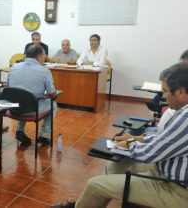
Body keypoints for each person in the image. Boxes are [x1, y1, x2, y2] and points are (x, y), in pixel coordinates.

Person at [52, 62, 188, 208]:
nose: (164, 97)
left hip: (175, 189)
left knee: (94, 185)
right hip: (164, 171)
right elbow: (165, 139)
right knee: (114, 166)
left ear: (180, 92)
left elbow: (148, 154)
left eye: (166, 91)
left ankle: (84, 203)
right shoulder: (182, 112)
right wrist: (135, 138)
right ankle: (84, 204)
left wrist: (129, 144)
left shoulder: (185, 117)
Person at [8, 45, 57, 145]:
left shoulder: (13, 67)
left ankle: (20, 131)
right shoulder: (45, 71)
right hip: (31, 110)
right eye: (44, 56)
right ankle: (43, 137)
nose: (45, 58)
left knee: (22, 97)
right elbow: (52, 94)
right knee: (53, 104)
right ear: (39, 57)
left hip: (14, 108)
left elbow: (8, 87)